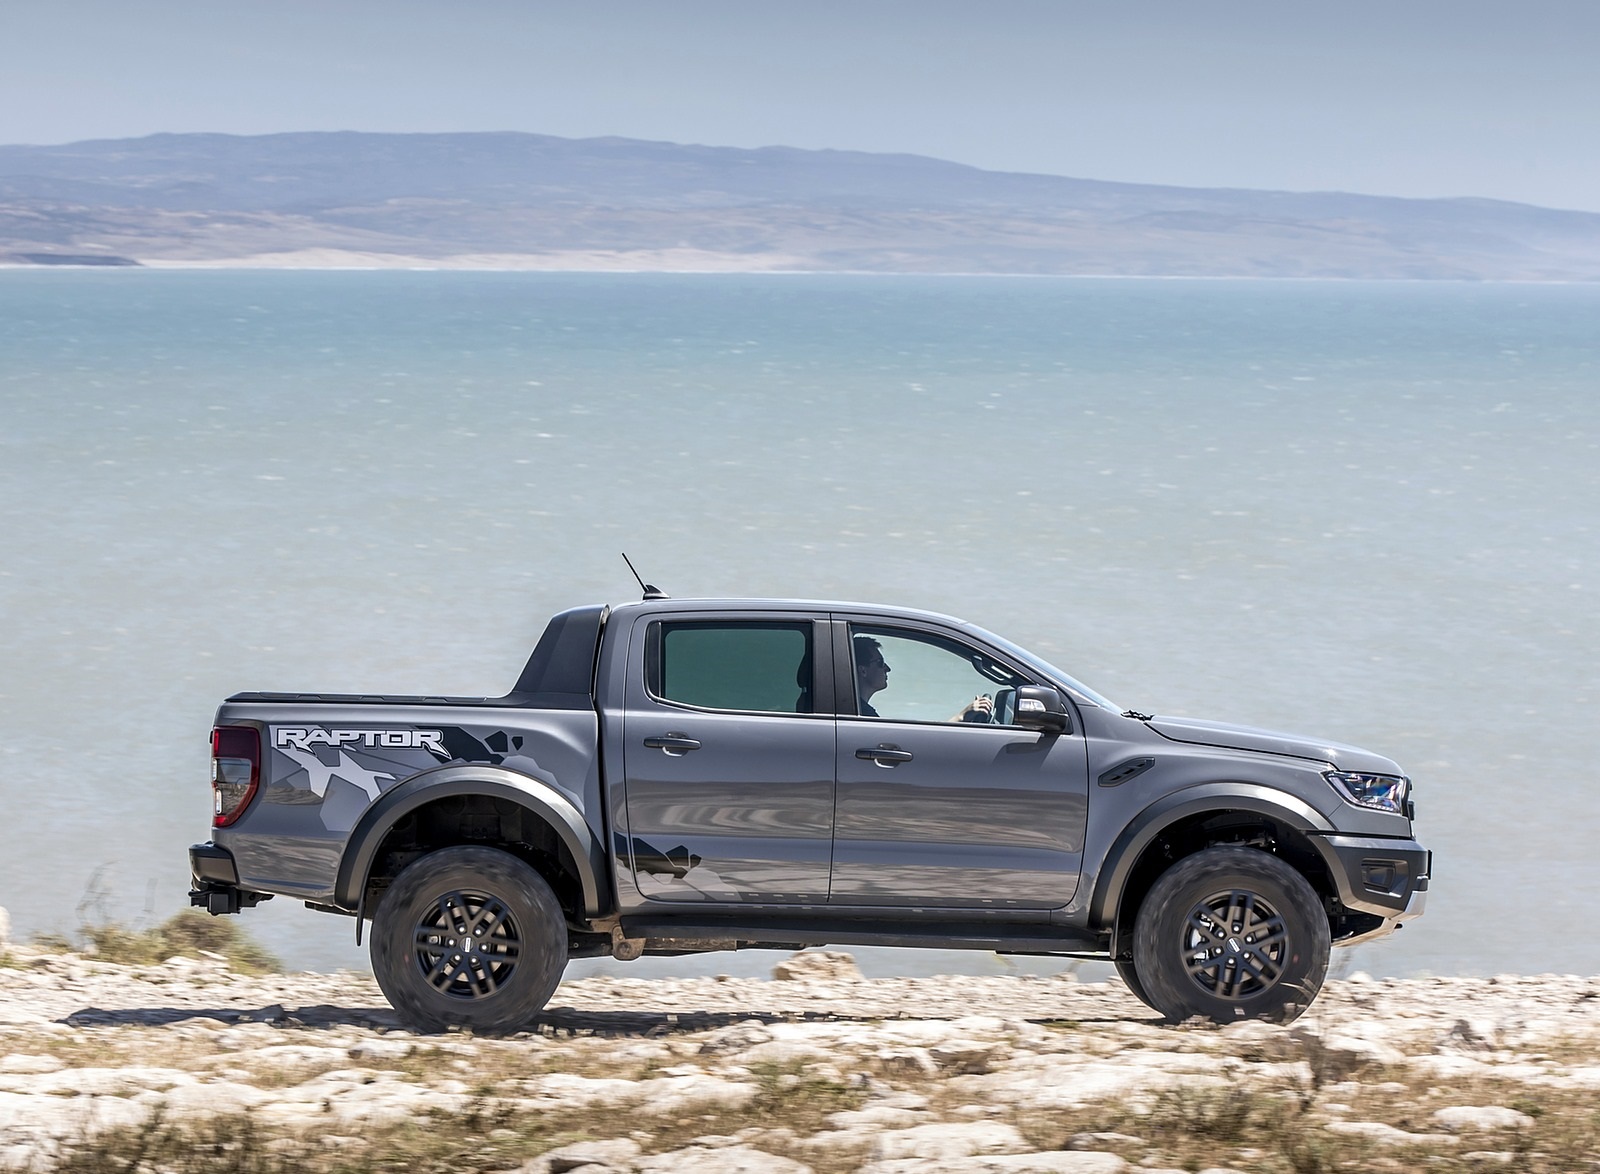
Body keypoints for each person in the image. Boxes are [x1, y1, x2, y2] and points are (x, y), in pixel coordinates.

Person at [853, 634, 993, 722]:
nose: (887, 668)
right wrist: (962, 716)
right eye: (880, 663)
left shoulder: (858, 712)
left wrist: (962, 717)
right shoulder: (863, 715)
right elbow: (905, 746)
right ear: (863, 671)